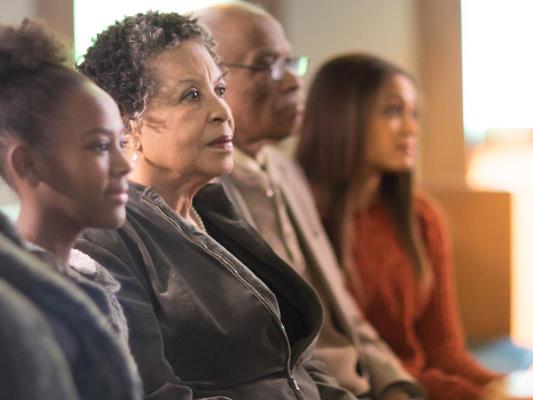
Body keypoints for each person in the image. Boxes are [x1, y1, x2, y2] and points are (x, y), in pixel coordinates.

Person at [75, 11, 356, 400]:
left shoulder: (214, 208)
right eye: (191, 95)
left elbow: (293, 357)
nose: (222, 111)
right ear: (127, 126)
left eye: (219, 90)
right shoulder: (103, 241)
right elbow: (153, 392)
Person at [193, 3, 423, 400]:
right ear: (211, 79)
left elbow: (346, 314)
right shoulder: (200, 192)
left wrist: (398, 385)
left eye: (290, 63)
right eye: (267, 65)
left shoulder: (287, 172)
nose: (295, 84)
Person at [296, 53, 501, 400]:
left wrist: (499, 387)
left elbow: (444, 351)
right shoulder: (302, 216)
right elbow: (340, 360)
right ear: (343, 117)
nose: (411, 129)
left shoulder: (421, 217)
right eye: (393, 112)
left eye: (414, 114)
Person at [0, 19, 141, 399]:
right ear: (28, 164)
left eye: (121, 143)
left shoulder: (89, 281)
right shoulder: (16, 312)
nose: (125, 166)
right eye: (99, 147)